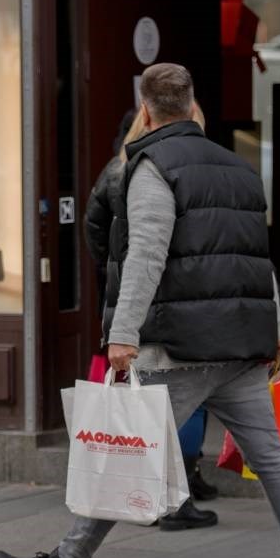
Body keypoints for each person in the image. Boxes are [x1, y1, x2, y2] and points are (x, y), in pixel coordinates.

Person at [0, 63, 280, 558]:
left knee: (128, 451)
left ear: (145, 111)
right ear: (193, 107)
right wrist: (276, 329)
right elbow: (255, 262)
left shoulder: (151, 167)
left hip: (182, 347)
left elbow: (146, 256)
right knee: (272, 458)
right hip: (241, 345)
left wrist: (122, 335)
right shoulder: (239, 168)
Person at [85, 103, 219, 531]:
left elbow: (95, 235)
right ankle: (173, 496)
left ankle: (144, 495)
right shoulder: (163, 172)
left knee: (144, 408)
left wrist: (113, 279)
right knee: (177, 407)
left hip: (128, 302)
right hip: (168, 306)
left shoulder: (113, 171)